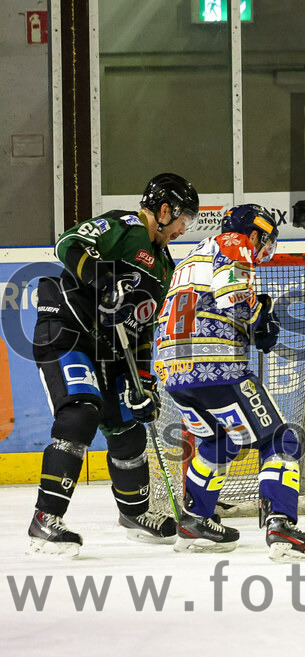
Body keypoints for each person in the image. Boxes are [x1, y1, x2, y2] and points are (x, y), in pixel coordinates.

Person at [28, 173, 198, 557]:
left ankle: (135, 514)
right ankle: (45, 518)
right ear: (165, 209)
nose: (184, 228)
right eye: (183, 217)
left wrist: (143, 382)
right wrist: (101, 277)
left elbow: (142, 329)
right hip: (68, 327)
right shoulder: (126, 226)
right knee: (80, 414)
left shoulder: (164, 266)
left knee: (128, 427)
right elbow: (69, 243)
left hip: (110, 348)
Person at [153, 203, 305, 561]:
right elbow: (232, 297)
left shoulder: (190, 258)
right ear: (255, 233)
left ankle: (194, 520)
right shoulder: (234, 242)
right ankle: (281, 524)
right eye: (265, 239)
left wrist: (253, 320)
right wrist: (260, 317)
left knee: (217, 439)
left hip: (172, 369)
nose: (264, 247)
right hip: (215, 364)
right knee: (280, 439)